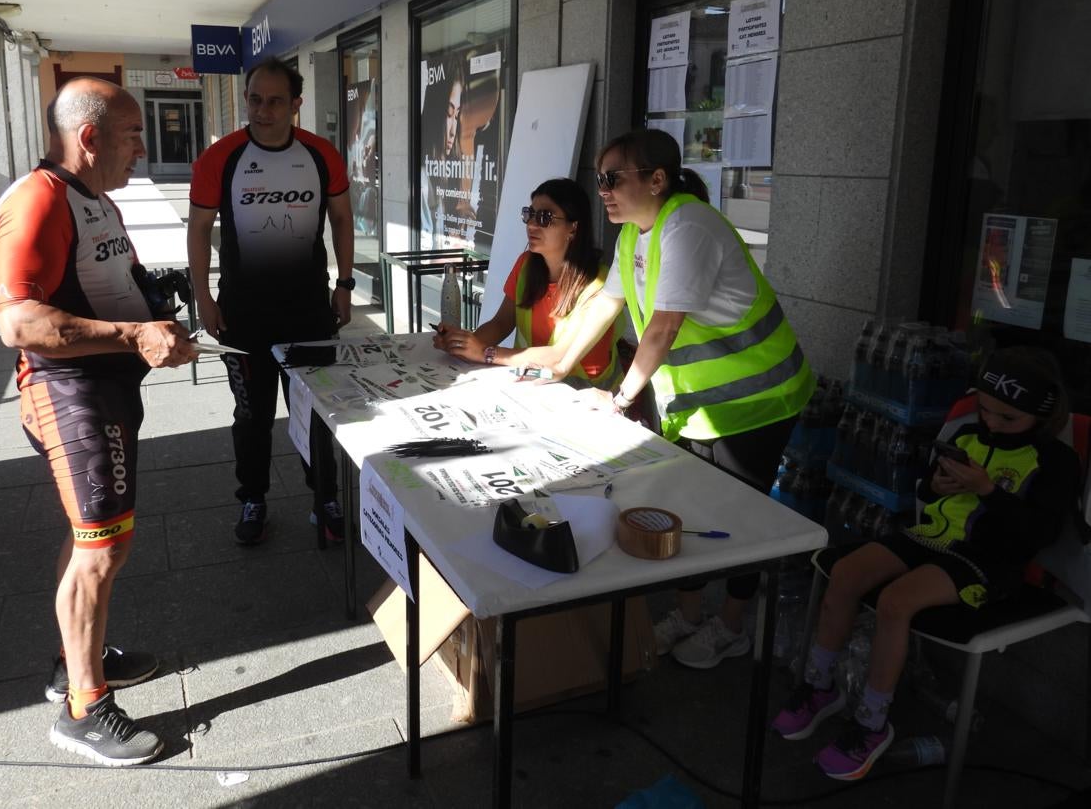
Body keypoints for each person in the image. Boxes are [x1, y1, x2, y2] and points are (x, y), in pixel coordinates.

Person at [550, 128, 815, 668]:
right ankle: (691, 614)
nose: (602, 190)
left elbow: (663, 328)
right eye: (598, 179)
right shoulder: (631, 234)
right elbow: (606, 308)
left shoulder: (689, 225)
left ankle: (733, 625)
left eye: (612, 178)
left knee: (741, 521)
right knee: (685, 512)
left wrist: (620, 397)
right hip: (695, 406)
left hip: (757, 402)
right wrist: (555, 363)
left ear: (657, 179)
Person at [0, 78, 197, 766]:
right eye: (134, 135)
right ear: (90, 137)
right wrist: (133, 335)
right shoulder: (37, 200)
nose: (144, 147)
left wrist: (158, 318)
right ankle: (84, 709)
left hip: (105, 390)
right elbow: (18, 320)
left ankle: (72, 661)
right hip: (69, 393)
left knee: (95, 539)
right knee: (102, 548)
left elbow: (119, 281)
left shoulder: (95, 199)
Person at [772, 347, 1078, 780]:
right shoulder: (968, 434)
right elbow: (931, 494)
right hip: (932, 537)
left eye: (1009, 419)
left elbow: (1039, 533)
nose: (992, 424)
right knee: (845, 572)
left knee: (897, 602)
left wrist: (989, 490)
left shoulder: (1056, 461)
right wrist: (936, 484)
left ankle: (872, 723)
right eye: (987, 410)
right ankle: (820, 687)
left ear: (1043, 417)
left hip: (989, 560)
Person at [187, 59, 355, 546]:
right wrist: (203, 297)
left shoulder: (321, 155)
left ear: (296, 105)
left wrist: (344, 284)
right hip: (244, 311)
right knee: (252, 415)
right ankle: (253, 498)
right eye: (255, 98)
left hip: (307, 310)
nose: (262, 110)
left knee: (315, 410)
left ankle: (325, 497)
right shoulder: (220, 157)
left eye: (275, 100)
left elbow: (342, 219)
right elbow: (198, 229)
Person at [434, 177, 619, 388]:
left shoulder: (599, 284)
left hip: (585, 392)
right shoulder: (526, 264)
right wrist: (462, 345)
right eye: (529, 214)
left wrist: (485, 353)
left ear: (573, 228)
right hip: (536, 383)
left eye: (544, 217)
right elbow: (501, 323)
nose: (531, 224)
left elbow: (560, 355)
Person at [419, 56, 464, 249]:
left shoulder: (447, 169)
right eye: (448, 113)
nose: (453, 130)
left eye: (457, 115)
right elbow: (426, 245)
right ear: (435, 113)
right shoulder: (422, 179)